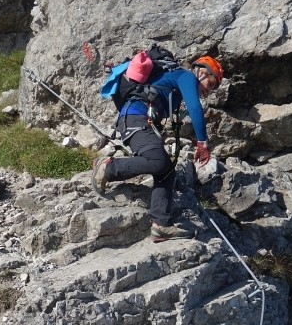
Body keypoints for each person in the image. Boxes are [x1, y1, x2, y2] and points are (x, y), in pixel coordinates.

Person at [92, 55, 224, 242]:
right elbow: (195, 108)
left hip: (135, 120)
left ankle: (161, 225)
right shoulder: (186, 77)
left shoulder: (176, 81)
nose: (207, 92)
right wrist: (202, 142)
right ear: (201, 72)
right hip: (136, 119)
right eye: (210, 85)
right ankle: (108, 167)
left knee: (167, 170)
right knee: (158, 161)